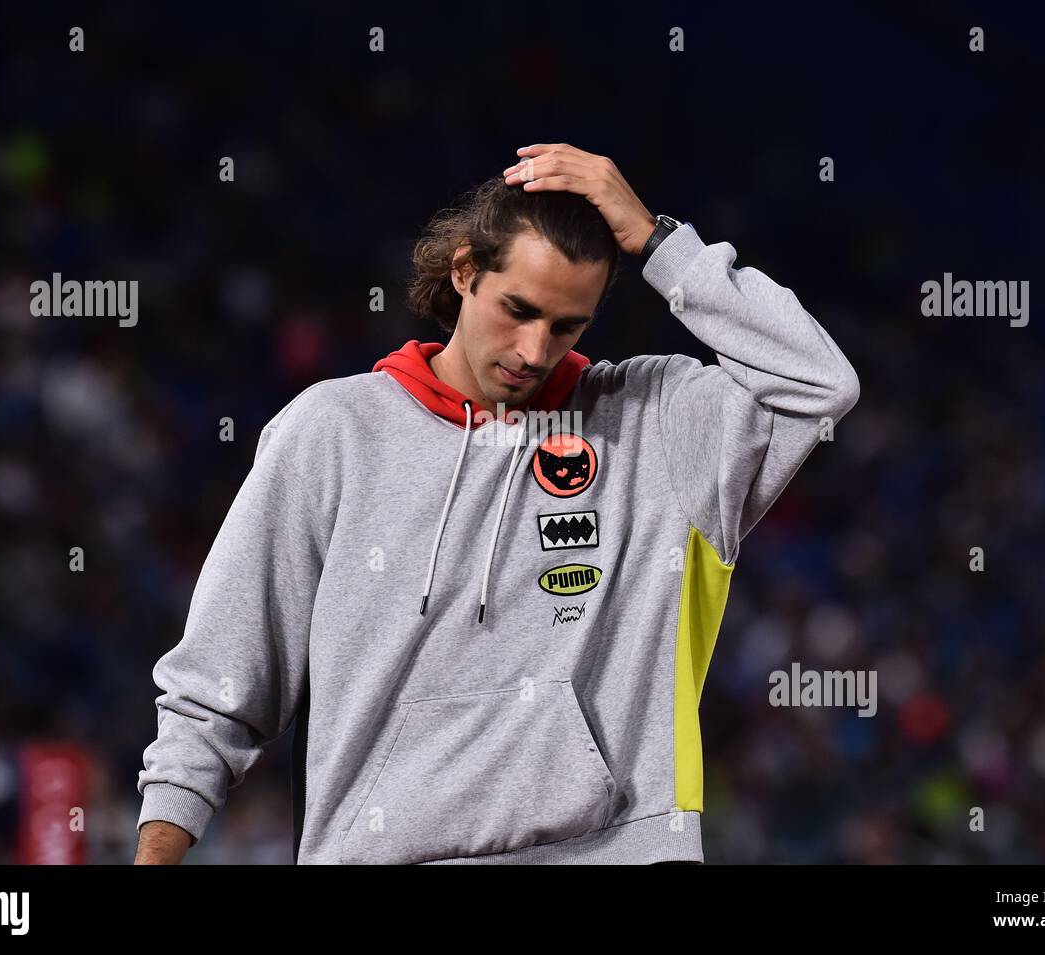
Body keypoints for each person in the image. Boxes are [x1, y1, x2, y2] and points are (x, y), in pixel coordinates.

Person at [134, 143, 859, 865]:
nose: (535, 348)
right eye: (519, 309)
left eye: (567, 324)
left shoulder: (657, 423)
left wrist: (658, 241)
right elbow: (220, 684)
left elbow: (818, 383)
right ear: (465, 273)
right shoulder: (331, 434)